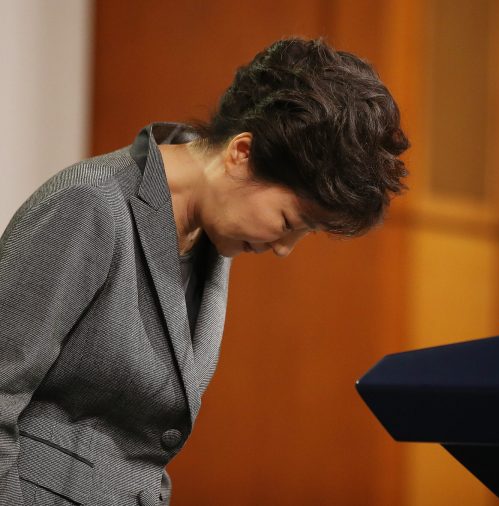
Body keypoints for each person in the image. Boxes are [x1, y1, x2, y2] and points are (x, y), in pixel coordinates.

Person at [0, 38, 409, 506]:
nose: (283, 249)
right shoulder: (91, 204)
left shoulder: (209, 235)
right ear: (241, 152)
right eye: (288, 222)